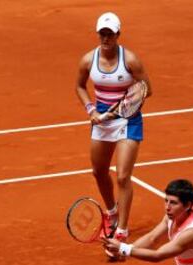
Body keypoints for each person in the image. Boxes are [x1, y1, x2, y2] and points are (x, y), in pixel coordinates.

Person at [75, 12, 152, 244]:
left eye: (110, 33)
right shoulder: (88, 60)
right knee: (98, 171)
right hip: (103, 122)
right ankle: (111, 213)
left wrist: (124, 108)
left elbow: (146, 88)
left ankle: (122, 231)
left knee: (122, 176)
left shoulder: (130, 60)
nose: (106, 37)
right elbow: (79, 86)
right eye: (102, 33)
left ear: (118, 34)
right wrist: (91, 110)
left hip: (129, 122)